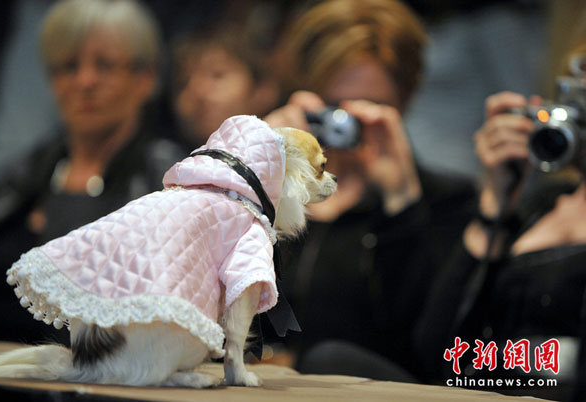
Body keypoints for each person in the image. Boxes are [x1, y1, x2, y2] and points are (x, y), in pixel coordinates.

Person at [261, 0, 476, 379]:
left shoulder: (445, 203)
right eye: (331, 108)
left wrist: (403, 204)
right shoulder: (271, 185)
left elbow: (433, 347)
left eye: (372, 108)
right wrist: (256, 170)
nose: (349, 127)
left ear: (405, 100)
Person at [0, 0, 183, 346]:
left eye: (105, 65)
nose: (85, 81)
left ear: (146, 78)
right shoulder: (24, 173)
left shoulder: (167, 181)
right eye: (68, 66)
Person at [414, 44, 586, 401]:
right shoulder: (544, 202)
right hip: (478, 389)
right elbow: (435, 353)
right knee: (333, 359)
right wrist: (494, 202)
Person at [169, 23, 279, 152]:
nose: (197, 90)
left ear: (262, 92)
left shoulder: (293, 160)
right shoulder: (161, 162)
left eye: (217, 75)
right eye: (183, 82)